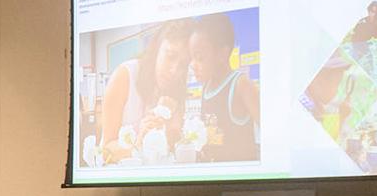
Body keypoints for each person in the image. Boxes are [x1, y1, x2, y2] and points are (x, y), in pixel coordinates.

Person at [98, 18, 191, 164]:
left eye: (183, 65)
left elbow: (169, 149)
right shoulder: (125, 75)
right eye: (170, 56)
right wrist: (139, 143)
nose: (174, 70)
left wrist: (173, 135)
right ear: (156, 49)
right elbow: (106, 150)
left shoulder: (176, 90)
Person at [189, 13, 260, 162]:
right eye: (191, 58)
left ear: (222, 54)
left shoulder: (241, 85)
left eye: (199, 57)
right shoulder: (206, 88)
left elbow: (272, 133)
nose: (193, 65)